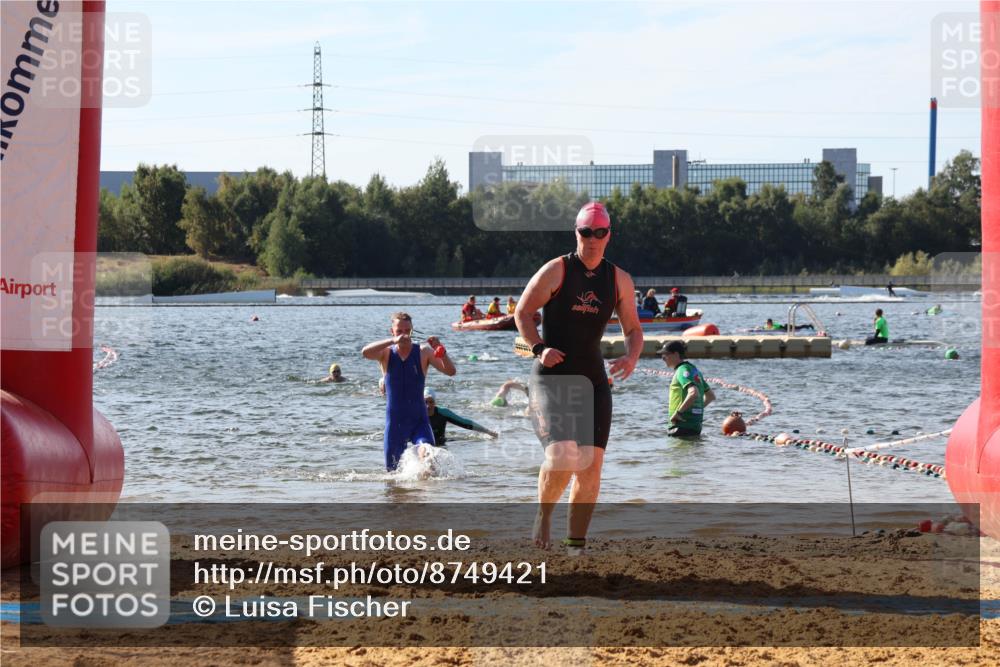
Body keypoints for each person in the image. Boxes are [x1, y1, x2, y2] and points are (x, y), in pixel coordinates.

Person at [514, 201, 643, 554]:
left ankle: (575, 546)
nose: (592, 239)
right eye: (586, 232)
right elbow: (522, 312)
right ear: (577, 233)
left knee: (590, 465)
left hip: (593, 382)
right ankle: (543, 516)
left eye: (599, 232)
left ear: (608, 235)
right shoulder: (556, 271)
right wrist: (539, 348)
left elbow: (633, 328)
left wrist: (631, 357)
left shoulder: (619, 280)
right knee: (562, 455)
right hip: (551, 379)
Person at [362, 312, 456, 470]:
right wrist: (393, 341)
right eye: (399, 331)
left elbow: (451, 371)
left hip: (419, 420)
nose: (404, 335)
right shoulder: (386, 353)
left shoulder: (423, 351)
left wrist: (441, 351)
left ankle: (424, 492)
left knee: (428, 456)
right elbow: (365, 352)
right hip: (395, 422)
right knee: (392, 474)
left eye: (407, 330)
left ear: (412, 330)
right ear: (392, 332)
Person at [659, 341, 715, 437]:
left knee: (676, 451)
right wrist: (695, 410)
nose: (662, 358)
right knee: (692, 452)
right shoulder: (695, 371)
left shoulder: (682, 370)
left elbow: (693, 392)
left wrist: (679, 413)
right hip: (695, 426)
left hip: (681, 425)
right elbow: (710, 396)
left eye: (665, 354)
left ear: (676, 354)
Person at [423, 388, 498, 446]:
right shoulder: (417, 414)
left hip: (441, 443)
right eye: (425, 402)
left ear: (435, 402)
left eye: (431, 402)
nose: (428, 406)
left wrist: (488, 431)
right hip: (423, 444)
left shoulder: (443, 412)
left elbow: (464, 422)